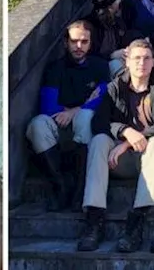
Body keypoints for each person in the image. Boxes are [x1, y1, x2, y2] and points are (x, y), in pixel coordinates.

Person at [80, 40, 154, 252]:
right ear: (127, 61)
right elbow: (99, 122)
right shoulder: (114, 88)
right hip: (118, 162)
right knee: (98, 141)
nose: (141, 63)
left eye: (146, 58)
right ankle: (94, 219)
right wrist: (125, 131)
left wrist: (126, 143)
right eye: (136, 58)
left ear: (153, 63)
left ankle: (137, 220)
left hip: (150, 159)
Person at [26, 20, 113, 212]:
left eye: (84, 41)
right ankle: (60, 185)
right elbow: (48, 106)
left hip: (85, 125)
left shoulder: (100, 66)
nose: (79, 46)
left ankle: (81, 188)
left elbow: (102, 99)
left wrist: (74, 110)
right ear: (66, 43)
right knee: (37, 125)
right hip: (59, 124)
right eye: (74, 41)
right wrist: (84, 103)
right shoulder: (55, 68)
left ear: (91, 43)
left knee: (85, 116)